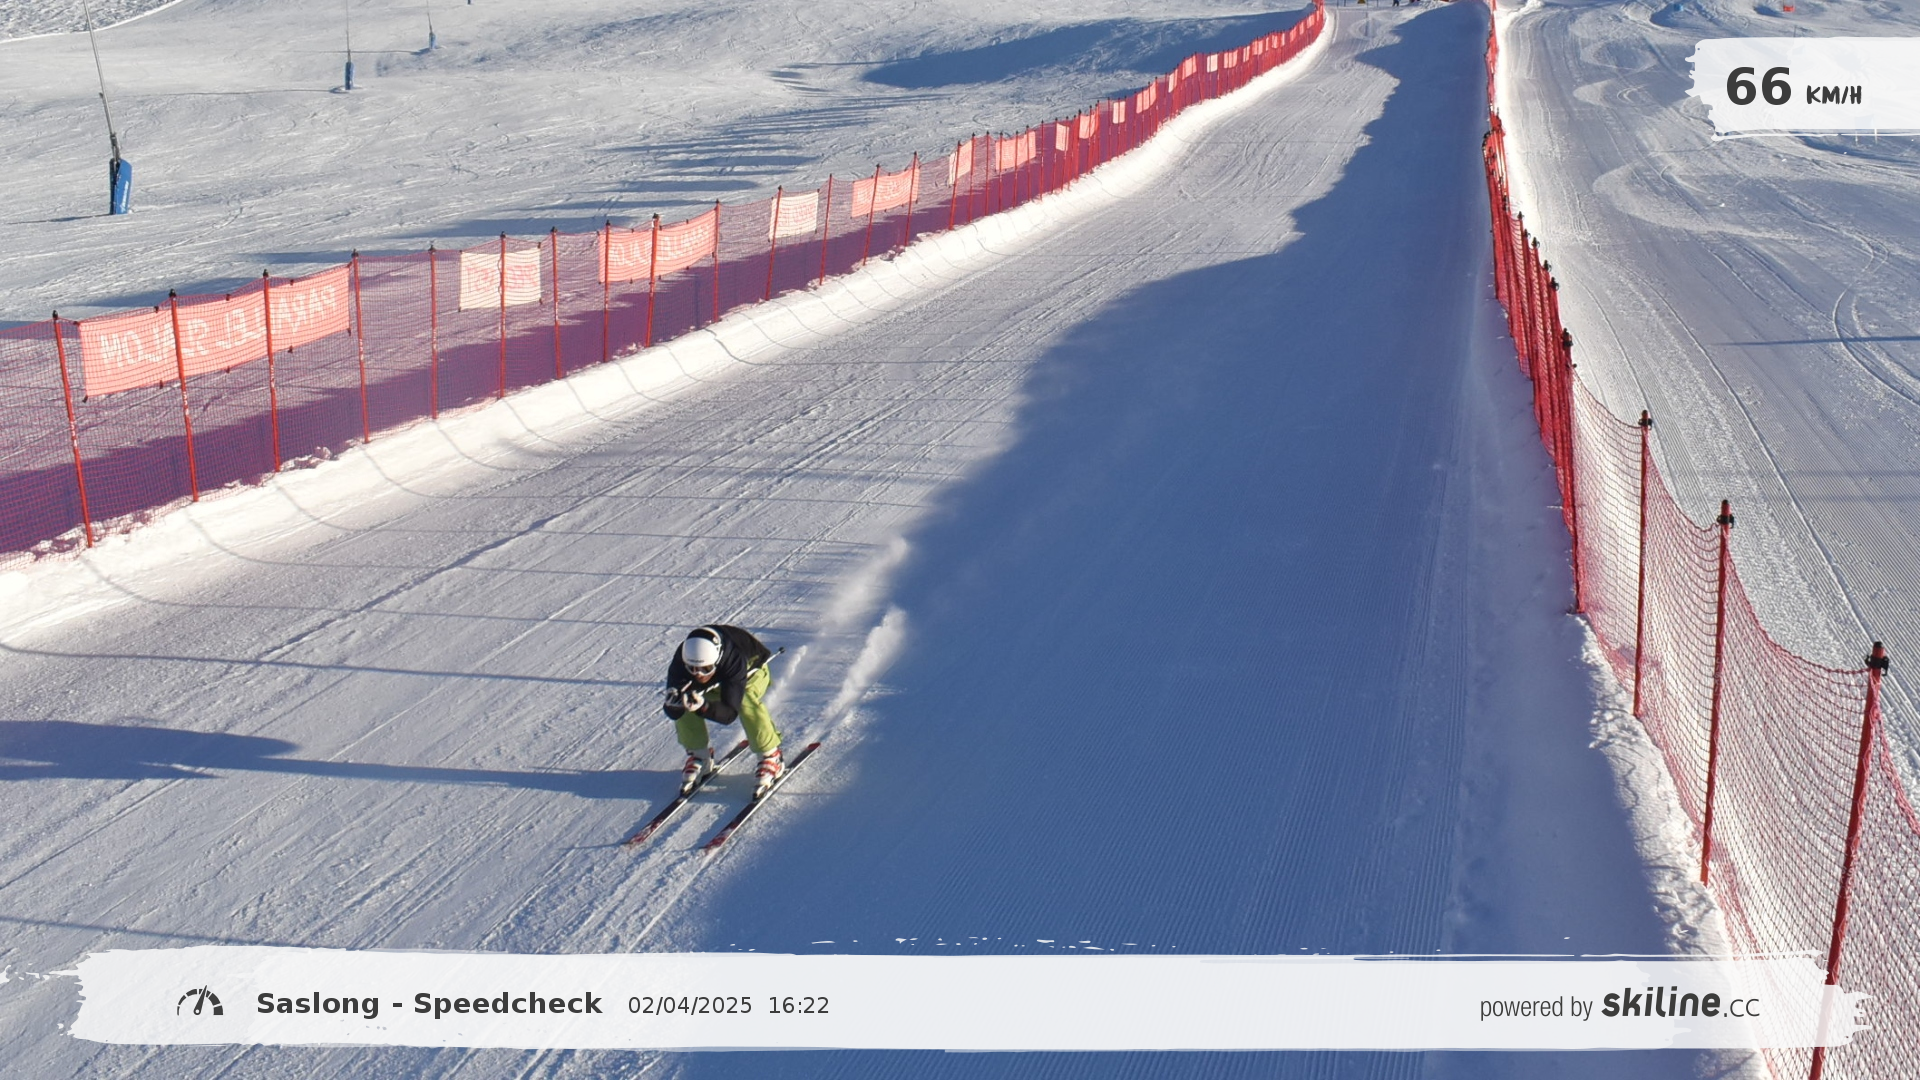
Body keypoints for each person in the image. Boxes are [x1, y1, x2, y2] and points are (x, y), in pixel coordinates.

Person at [663, 625, 783, 795]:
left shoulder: (733, 658)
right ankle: (699, 755)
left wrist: (704, 707)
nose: (699, 674)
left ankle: (770, 755)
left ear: (717, 658)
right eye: (692, 668)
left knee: (745, 699)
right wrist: (673, 705)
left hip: (750, 673)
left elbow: (729, 713)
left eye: (706, 668)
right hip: (716, 682)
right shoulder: (683, 660)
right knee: (683, 699)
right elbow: (672, 712)